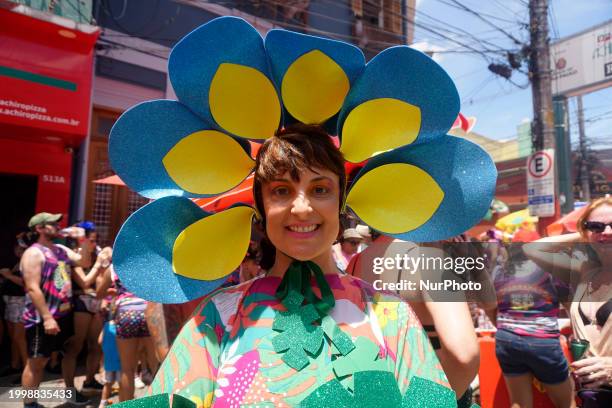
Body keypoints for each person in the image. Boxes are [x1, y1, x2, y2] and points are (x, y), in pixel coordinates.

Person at [147, 124, 449, 405]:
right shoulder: (220, 313)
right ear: (261, 207)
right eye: (281, 190)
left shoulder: (390, 313)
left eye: (320, 190)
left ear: (341, 201)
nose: (302, 208)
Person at [524, 196, 611, 407]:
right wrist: (585, 235)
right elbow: (532, 249)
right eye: (597, 226)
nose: (607, 232)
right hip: (591, 397)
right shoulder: (586, 271)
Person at [19, 212, 95, 407]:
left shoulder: (60, 249)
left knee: (68, 351)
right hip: (41, 318)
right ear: (40, 229)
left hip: (63, 315)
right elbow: (32, 288)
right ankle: (29, 403)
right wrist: (47, 318)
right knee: (37, 362)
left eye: (57, 222)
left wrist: (83, 239)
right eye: (52, 223)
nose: (58, 225)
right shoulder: (33, 253)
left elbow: (84, 262)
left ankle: (70, 393)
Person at [493, 244, 575, 408]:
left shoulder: (498, 273)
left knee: (519, 403)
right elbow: (572, 309)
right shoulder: (552, 272)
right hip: (542, 342)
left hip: (506, 339)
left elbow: (492, 308)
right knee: (566, 403)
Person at [97, 258, 158, 402]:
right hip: (149, 310)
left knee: (127, 369)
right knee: (156, 367)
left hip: (126, 313)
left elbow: (99, 293)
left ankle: (126, 404)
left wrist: (114, 291)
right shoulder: (150, 263)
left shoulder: (114, 267)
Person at [0, 234, 28, 381]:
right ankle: (15, 365)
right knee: (13, 338)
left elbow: (27, 283)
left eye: (22, 247)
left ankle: (26, 371)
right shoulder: (15, 261)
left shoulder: (28, 262)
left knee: (19, 337)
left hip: (21, 302)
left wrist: (9, 275)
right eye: (17, 247)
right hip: (10, 301)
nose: (19, 250)